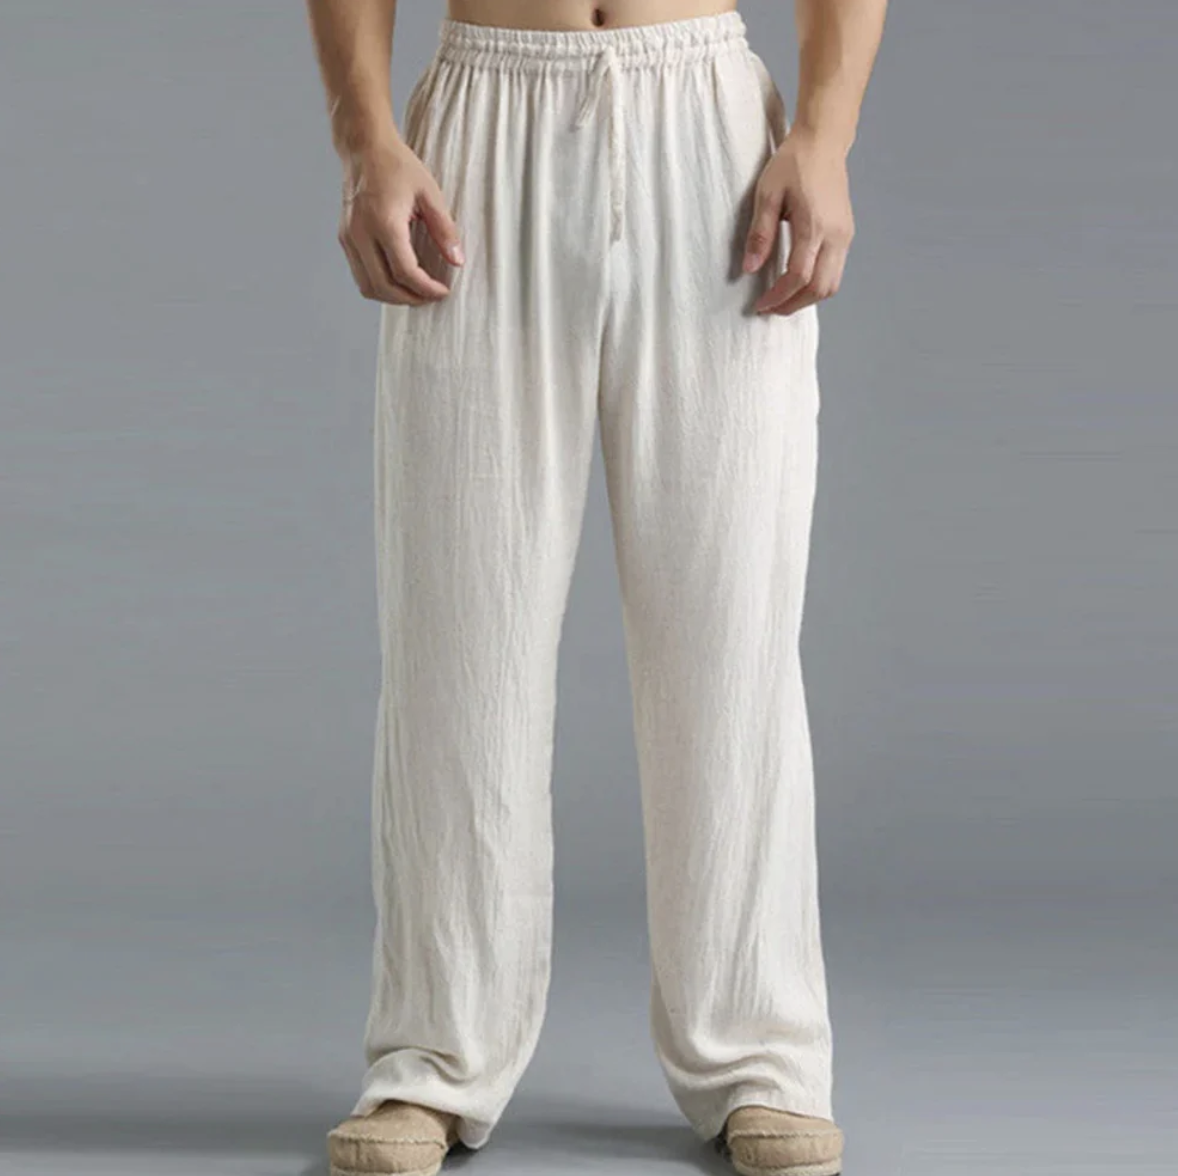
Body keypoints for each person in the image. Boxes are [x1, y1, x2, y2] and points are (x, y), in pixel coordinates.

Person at [305, 2, 886, 1174]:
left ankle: (757, 1054)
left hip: (709, 136)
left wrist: (822, 138)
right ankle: (433, 1053)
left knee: (729, 633)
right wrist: (365, 139)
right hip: (481, 124)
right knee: (457, 637)